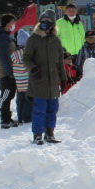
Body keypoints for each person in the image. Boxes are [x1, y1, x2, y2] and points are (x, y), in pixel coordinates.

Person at [23, 11, 67, 145]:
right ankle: (37, 135)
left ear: (53, 23)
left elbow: (60, 61)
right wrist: (34, 68)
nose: (45, 22)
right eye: (43, 19)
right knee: (39, 109)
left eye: (48, 20)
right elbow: (26, 58)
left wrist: (63, 78)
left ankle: (50, 133)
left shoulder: (56, 40)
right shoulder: (33, 39)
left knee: (52, 109)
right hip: (39, 81)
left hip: (53, 82)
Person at [0, 13, 18, 129]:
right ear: (7, 24)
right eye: (12, 23)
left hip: (9, 71)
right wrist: (10, 72)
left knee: (10, 94)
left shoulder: (5, 35)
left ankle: (7, 117)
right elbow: (4, 56)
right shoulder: (1, 37)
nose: (14, 25)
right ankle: (4, 119)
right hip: (5, 72)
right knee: (6, 95)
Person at [11, 29, 33, 125]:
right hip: (28, 83)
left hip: (19, 83)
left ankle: (20, 118)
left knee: (20, 102)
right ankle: (27, 118)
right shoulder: (28, 53)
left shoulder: (14, 54)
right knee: (28, 102)